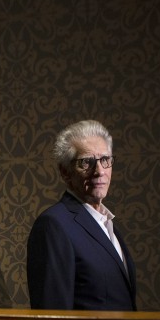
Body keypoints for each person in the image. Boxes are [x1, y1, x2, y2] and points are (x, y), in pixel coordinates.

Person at [27, 119, 137, 310]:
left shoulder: (106, 224)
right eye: (86, 162)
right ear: (65, 172)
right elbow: (53, 316)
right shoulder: (53, 226)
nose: (99, 171)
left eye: (105, 160)